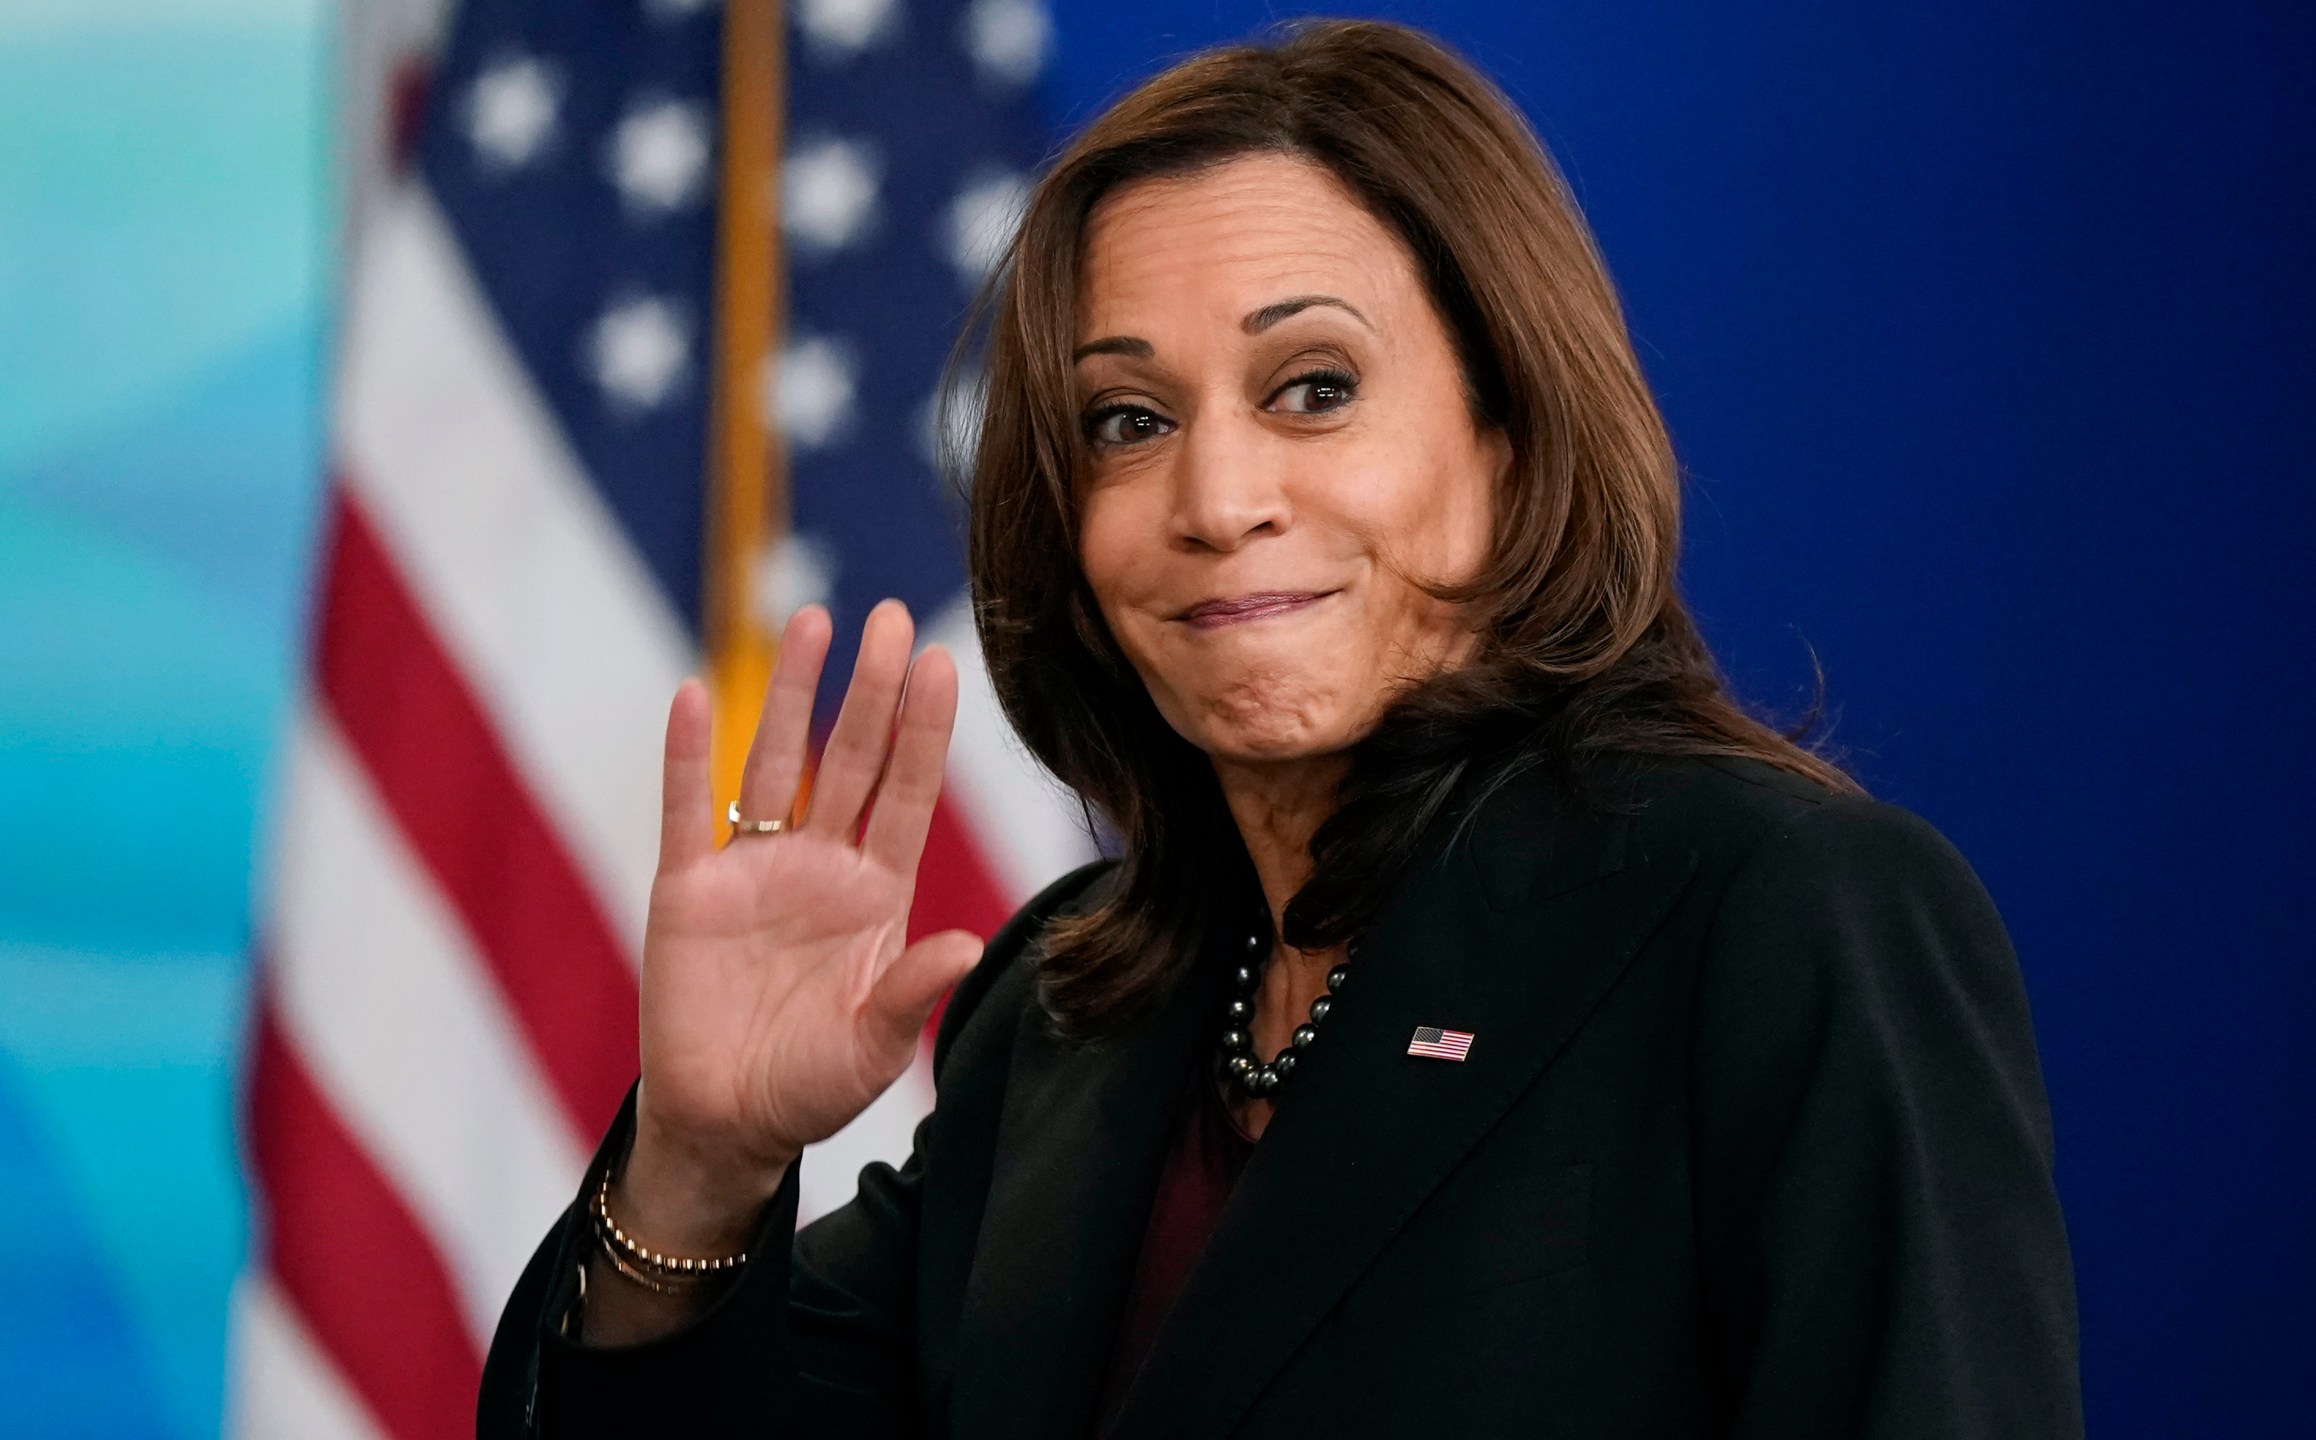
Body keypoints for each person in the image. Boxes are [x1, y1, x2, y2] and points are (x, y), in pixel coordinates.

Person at [477, 19, 2080, 1439]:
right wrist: (702, 1161)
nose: (1218, 500)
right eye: (1129, 420)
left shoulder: (1784, 920)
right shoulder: (1060, 1002)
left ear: (1509, 438)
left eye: (1314, 387)